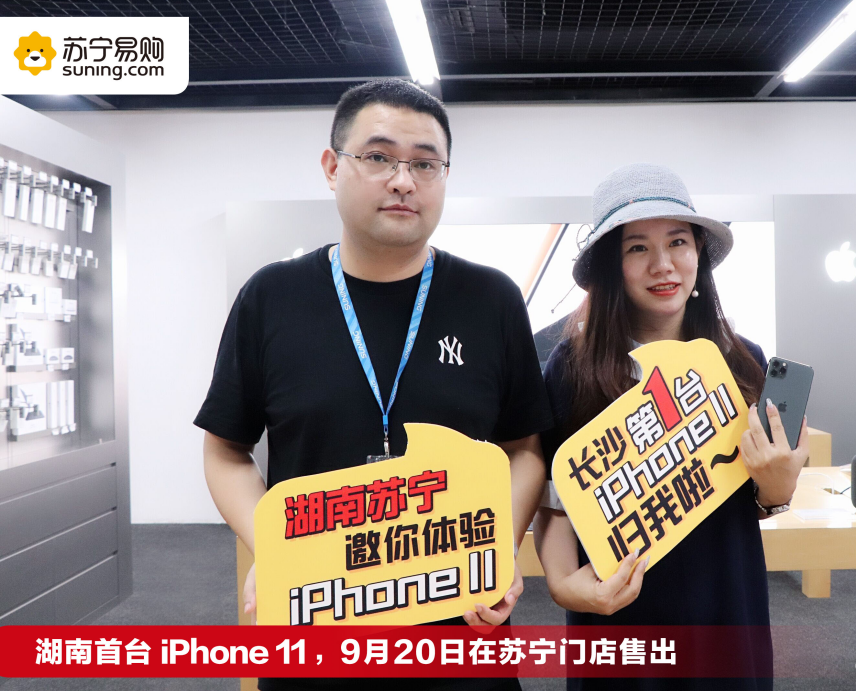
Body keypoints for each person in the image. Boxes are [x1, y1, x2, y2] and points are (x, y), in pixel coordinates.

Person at [193, 78, 553, 691]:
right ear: (333, 167)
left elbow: (525, 449)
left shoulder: (490, 299)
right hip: (315, 636)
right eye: (379, 157)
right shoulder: (272, 297)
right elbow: (225, 450)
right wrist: (276, 549)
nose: (403, 180)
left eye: (425, 163)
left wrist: (497, 545)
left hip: (460, 634)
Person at [535, 163, 810, 691]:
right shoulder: (572, 368)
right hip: (621, 613)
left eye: (678, 242)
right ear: (612, 266)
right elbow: (554, 502)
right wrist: (563, 584)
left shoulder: (742, 360)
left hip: (726, 605)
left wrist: (778, 488)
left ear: (699, 252)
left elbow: (758, 497)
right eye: (637, 247)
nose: (663, 265)